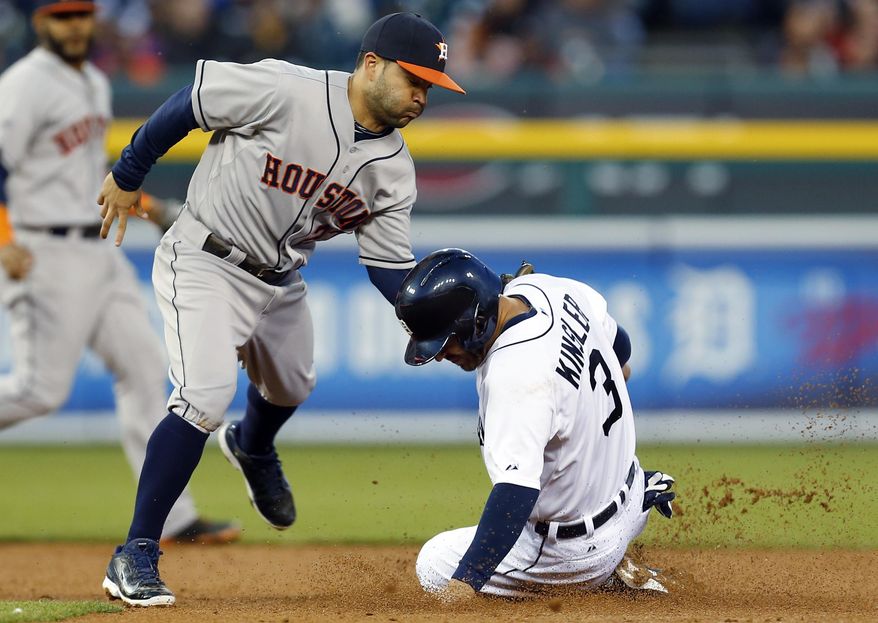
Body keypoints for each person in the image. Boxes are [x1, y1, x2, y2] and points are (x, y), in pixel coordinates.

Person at [96, 11, 465, 607]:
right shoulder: (286, 89)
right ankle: (134, 553)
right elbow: (191, 102)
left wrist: (436, 315)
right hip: (206, 258)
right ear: (371, 65)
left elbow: (389, 268)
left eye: (431, 87)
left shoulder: (395, 171)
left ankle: (254, 447)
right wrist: (129, 170)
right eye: (413, 79)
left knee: (292, 385)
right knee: (203, 397)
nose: (422, 96)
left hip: (282, 280)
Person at [0, 0, 240, 547]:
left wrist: (145, 202)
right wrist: (4, 238)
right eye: (63, 16)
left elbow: (80, 173)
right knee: (40, 391)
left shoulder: (92, 81)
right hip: (42, 250)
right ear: (41, 23)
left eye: (83, 13)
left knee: (145, 367)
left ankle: (173, 518)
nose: (76, 24)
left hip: (98, 245)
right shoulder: (23, 84)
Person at [394, 248, 677, 600]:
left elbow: (515, 495)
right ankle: (619, 546)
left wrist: (464, 584)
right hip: (630, 491)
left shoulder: (514, 376)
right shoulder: (551, 290)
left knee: (434, 563)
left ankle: (602, 578)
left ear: (476, 322)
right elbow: (621, 347)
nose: (440, 355)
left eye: (445, 342)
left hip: (573, 553)